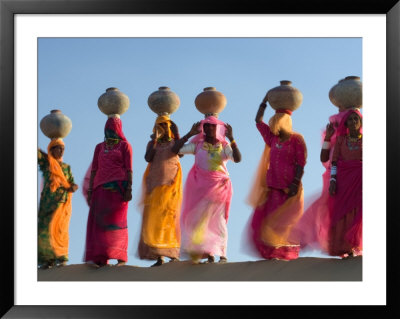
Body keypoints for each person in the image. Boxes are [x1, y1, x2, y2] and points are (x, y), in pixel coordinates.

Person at [171, 116, 241, 264]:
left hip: (219, 187)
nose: (209, 128)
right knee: (200, 221)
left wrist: (232, 139)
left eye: (212, 126)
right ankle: (209, 253)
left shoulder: (223, 145)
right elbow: (175, 150)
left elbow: (237, 158)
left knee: (218, 220)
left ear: (217, 129)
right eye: (207, 126)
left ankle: (222, 254)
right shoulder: (197, 145)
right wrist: (189, 134)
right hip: (200, 189)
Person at [247, 95, 307, 261]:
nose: (276, 122)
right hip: (273, 187)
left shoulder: (297, 140)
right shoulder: (272, 139)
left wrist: (295, 183)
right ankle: (273, 254)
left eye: (279, 119)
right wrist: (264, 101)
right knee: (271, 222)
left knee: (287, 222)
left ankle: (288, 255)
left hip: (290, 189)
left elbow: (301, 164)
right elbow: (258, 121)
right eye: (275, 119)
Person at [83, 116, 133, 267]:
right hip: (100, 188)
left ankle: (120, 257)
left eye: (114, 128)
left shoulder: (125, 146)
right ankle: (101, 258)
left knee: (116, 222)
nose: (111, 131)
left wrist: (129, 188)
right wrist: (91, 189)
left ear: (119, 129)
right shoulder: (99, 147)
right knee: (99, 223)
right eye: (108, 128)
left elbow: (129, 168)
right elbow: (94, 170)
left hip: (118, 188)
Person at [138, 115, 183, 267]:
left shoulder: (173, 142)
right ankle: (159, 256)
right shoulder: (152, 143)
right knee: (156, 221)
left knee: (169, 219)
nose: (163, 128)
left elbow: (181, 152)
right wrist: (156, 140)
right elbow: (148, 157)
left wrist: (177, 134)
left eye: (165, 125)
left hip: (171, 185)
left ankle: (172, 254)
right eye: (160, 125)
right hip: (154, 186)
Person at [38, 138, 78, 269]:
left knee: (60, 230)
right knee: (46, 230)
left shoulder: (66, 167)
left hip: (62, 203)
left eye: (63, 149)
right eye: (58, 148)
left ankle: (61, 257)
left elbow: (71, 182)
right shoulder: (47, 163)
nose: (61, 151)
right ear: (51, 149)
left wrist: (73, 187)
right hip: (48, 203)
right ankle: (46, 260)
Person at [327, 109, 362, 258]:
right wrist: (333, 180)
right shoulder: (341, 140)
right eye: (350, 119)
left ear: (360, 123)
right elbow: (334, 161)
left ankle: (356, 245)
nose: (353, 122)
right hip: (343, 180)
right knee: (343, 212)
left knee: (358, 212)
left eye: (356, 119)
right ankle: (345, 247)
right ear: (346, 123)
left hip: (360, 179)